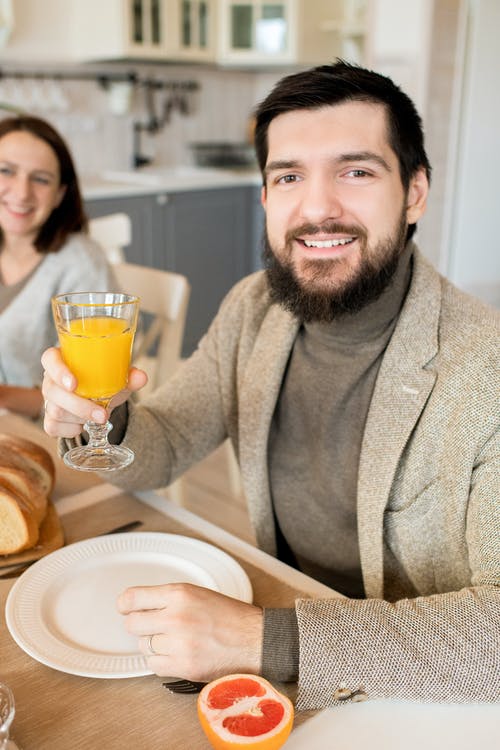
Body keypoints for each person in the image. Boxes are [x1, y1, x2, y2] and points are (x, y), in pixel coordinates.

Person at [41, 61, 499, 708]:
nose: (316, 208)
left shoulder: (485, 369)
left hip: (419, 694)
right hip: (277, 642)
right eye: (288, 177)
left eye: (356, 171)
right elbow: (166, 442)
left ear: (416, 192)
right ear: (263, 196)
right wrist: (104, 418)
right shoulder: (254, 308)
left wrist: (263, 639)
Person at [0, 115, 115, 419]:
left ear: (59, 195)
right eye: (6, 171)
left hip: (58, 438)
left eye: (40, 179)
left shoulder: (80, 265)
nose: (22, 193)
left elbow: (89, 396)